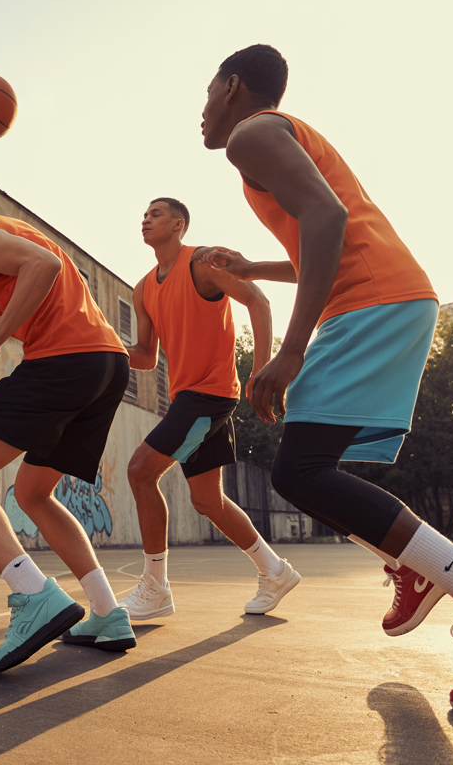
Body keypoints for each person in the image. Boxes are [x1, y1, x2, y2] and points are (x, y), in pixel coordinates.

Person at [199, 44, 453, 713]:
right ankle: (418, 565)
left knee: (300, 472)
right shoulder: (277, 138)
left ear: (233, 86)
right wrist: (256, 268)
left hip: (372, 302)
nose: (201, 112)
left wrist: (291, 350)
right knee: (306, 468)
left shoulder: (252, 134)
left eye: (205, 94)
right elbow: (325, 235)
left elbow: (329, 220)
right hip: (385, 297)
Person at [0, 159, 136, 676]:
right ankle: (108, 613)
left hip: (64, 363)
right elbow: (48, 280)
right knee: (33, 493)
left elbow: (41, 267)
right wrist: (10, 320)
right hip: (106, 364)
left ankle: (32, 595)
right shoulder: (10, 227)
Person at [120, 197, 298, 619]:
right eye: (144, 214)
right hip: (190, 397)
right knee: (207, 500)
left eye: (156, 214)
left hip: (209, 394)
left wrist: (260, 370)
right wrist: (101, 345)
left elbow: (258, 301)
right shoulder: (143, 288)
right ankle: (274, 570)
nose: (146, 219)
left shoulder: (201, 263)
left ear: (178, 224)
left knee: (140, 471)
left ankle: (155, 587)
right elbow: (145, 356)